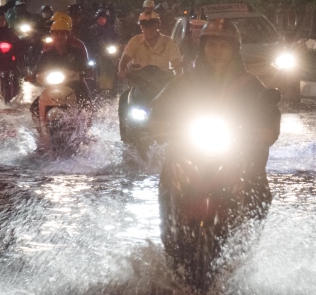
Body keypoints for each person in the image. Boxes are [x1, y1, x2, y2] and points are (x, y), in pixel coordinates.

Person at [151, 24, 280, 189]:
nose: (217, 51)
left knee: (254, 176)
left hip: (237, 150)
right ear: (203, 48)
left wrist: (265, 130)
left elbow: (268, 110)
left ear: (233, 50)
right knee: (171, 169)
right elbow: (160, 105)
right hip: (188, 151)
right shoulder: (184, 81)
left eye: (223, 46)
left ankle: (256, 203)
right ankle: (169, 201)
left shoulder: (249, 84)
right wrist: (157, 122)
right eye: (212, 45)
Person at [30, 12, 94, 116]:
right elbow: (38, 70)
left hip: (74, 86)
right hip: (52, 87)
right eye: (56, 33)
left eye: (62, 34)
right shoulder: (47, 55)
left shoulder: (76, 51)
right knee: (34, 108)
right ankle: (41, 127)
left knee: (86, 105)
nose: (59, 36)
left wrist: (86, 72)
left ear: (67, 35)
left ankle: (83, 126)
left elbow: (85, 67)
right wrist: (32, 76)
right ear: (52, 35)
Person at [118, 10, 182, 80]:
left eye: (152, 26)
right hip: (139, 83)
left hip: (162, 84)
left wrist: (179, 76)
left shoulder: (168, 42)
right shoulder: (135, 41)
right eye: (145, 27)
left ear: (157, 26)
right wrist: (122, 71)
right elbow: (125, 58)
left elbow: (176, 62)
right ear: (141, 28)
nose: (149, 30)